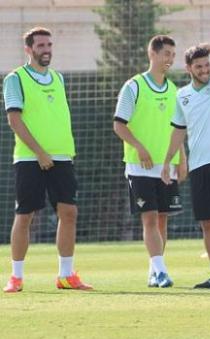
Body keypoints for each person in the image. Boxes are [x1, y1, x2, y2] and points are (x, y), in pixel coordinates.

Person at [3, 27, 92, 292]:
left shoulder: (58, 78)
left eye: (49, 45)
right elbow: (14, 119)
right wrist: (40, 152)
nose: (46, 50)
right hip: (30, 158)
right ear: (28, 49)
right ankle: (16, 277)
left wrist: (56, 152)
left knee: (69, 212)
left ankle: (66, 275)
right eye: (41, 46)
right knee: (25, 214)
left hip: (62, 157)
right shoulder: (15, 78)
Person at [161, 44, 210, 289]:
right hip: (198, 168)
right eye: (199, 66)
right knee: (207, 222)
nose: (205, 70)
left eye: (207, 65)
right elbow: (178, 130)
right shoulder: (181, 95)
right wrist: (167, 161)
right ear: (188, 69)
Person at [113, 35, 186, 288]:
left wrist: (182, 158)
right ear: (152, 54)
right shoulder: (133, 86)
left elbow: (179, 128)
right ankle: (162, 271)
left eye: (173, 55)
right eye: (166, 54)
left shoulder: (175, 90)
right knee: (150, 218)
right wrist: (139, 148)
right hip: (140, 166)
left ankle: (154, 271)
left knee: (162, 218)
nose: (170, 60)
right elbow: (119, 125)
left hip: (167, 167)